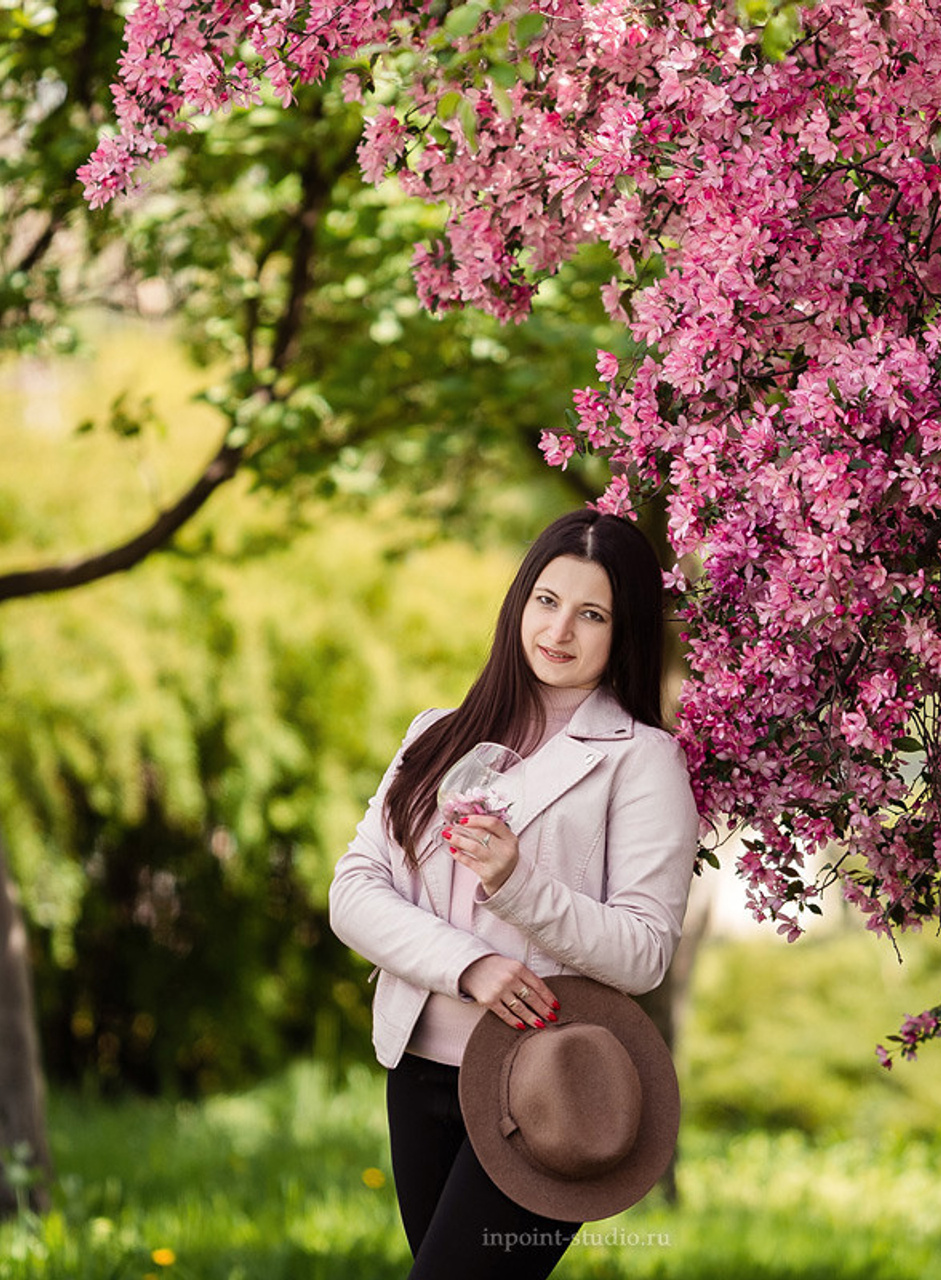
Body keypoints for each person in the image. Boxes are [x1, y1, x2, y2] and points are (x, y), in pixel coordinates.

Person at [329, 508, 700, 1280]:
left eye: (591, 613)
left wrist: (515, 882)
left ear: (623, 630)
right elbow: (355, 890)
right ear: (519, 601)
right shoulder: (435, 734)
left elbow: (644, 952)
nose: (559, 630)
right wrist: (471, 966)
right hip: (418, 1071)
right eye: (546, 600)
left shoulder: (645, 761)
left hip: (545, 1087)